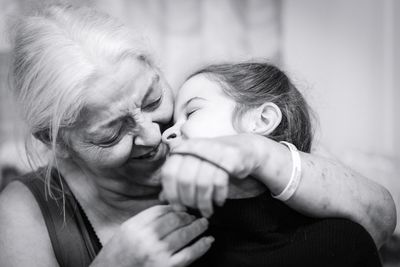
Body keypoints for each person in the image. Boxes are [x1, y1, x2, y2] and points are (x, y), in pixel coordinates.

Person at [0, 5, 395, 267]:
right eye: (111, 133)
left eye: (153, 98)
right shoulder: (26, 211)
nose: (155, 135)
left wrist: (259, 154)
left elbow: (377, 222)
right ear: (58, 142)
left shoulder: (221, 133)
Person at [160, 62, 387, 266]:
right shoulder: (175, 244)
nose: (167, 134)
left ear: (263, 120)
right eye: (172, 122)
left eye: (191, 112)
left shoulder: (338, 243)